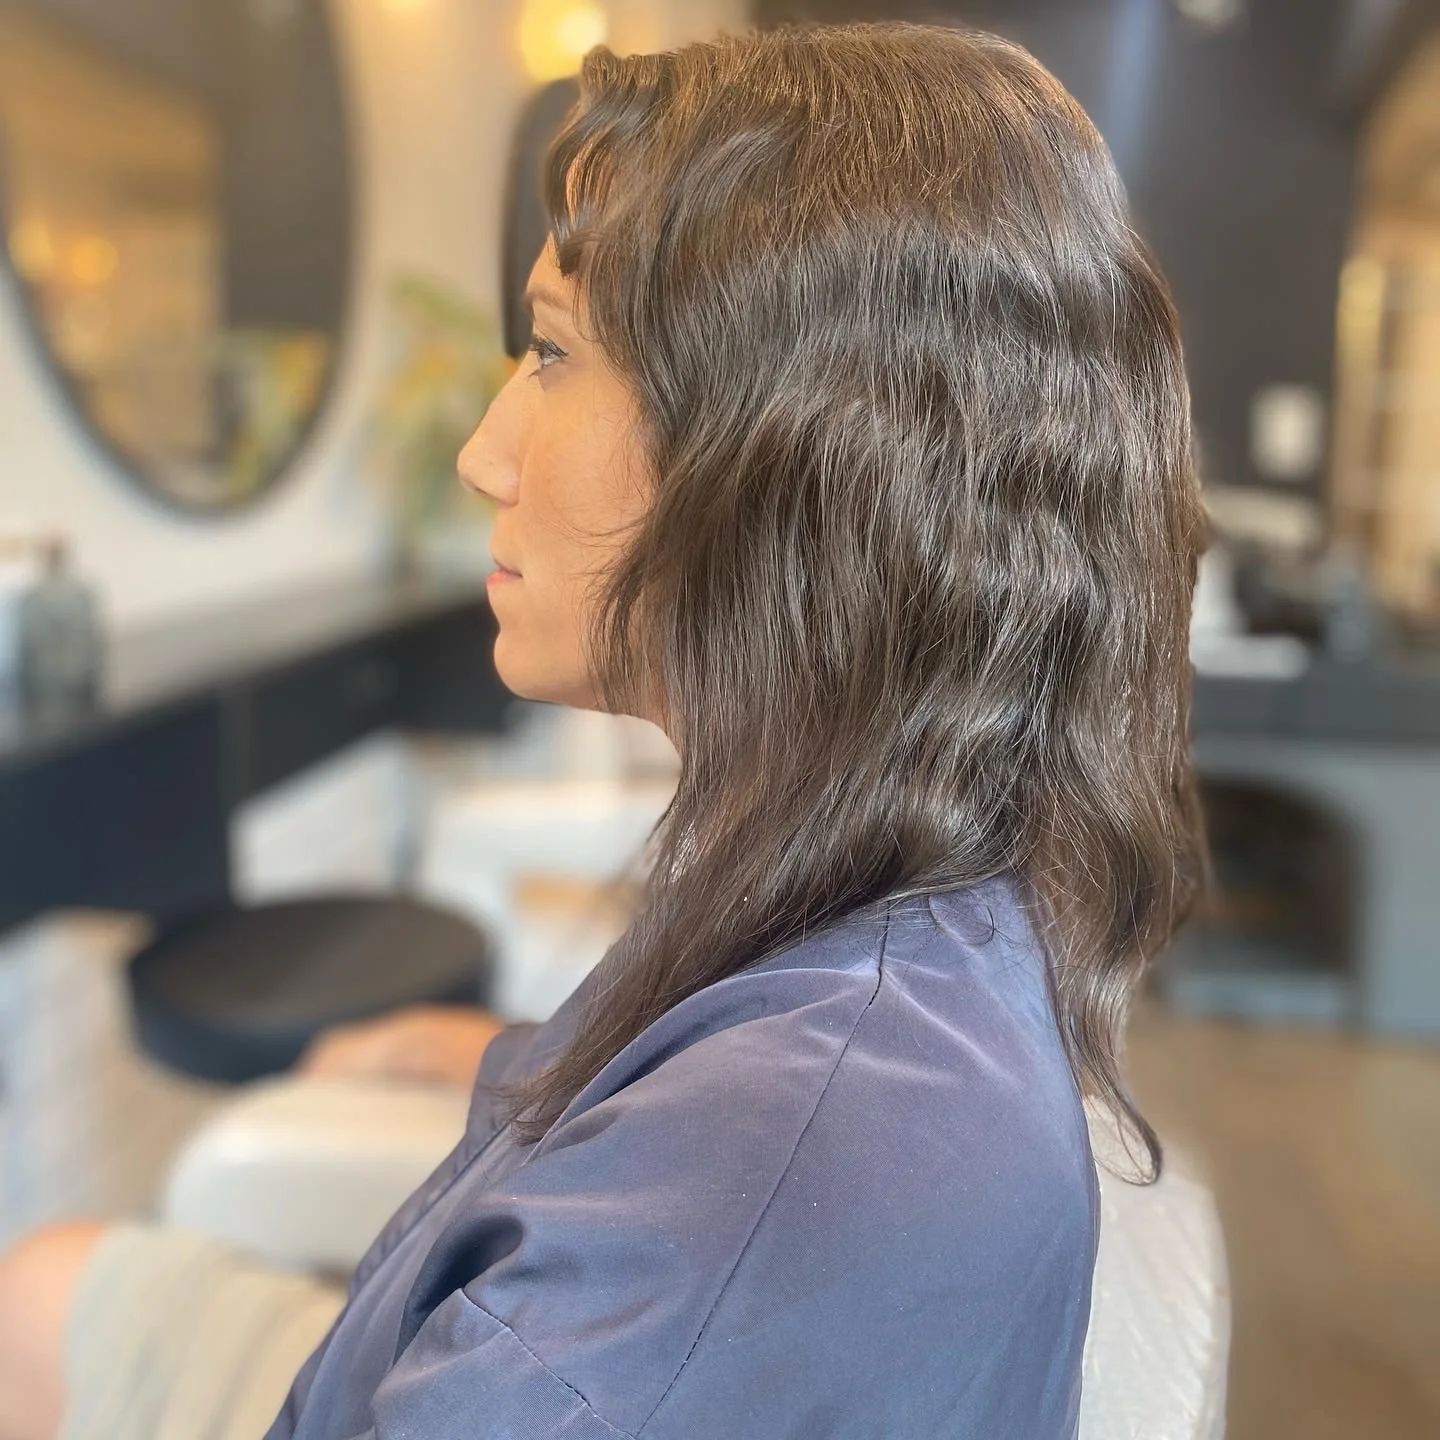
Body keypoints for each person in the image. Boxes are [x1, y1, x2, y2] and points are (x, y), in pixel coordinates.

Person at [0, 20, 1206, 1439]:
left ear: (801, 449)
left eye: (555, 352)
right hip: (411, 1317)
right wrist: (508, 1058)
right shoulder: (879, 878)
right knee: (45, 1287)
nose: (482, 449)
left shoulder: (784, 1171)